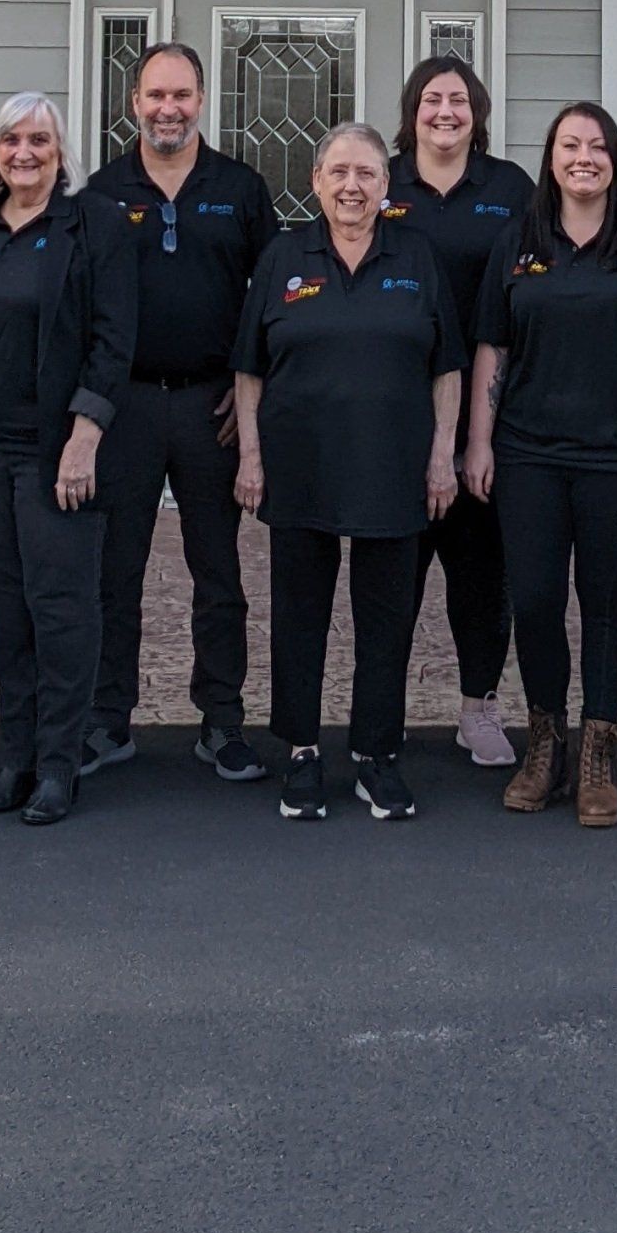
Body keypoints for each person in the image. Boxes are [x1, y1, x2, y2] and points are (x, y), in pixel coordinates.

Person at [467, 104, 617, 828]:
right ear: (551, 158)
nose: (584, 158)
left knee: (606, 602)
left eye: (598, 146)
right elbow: (491, 346)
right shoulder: (519, 239)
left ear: (616, 160)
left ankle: (599, 750)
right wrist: (478, 441)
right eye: (570, 145)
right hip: (528, 454)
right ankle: (546, 743)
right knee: (536, 599)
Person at [232, 123, 463, 824]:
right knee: (299, 613)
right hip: (300, 463)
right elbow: (249, 368)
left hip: (394, 464)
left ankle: (375, 754)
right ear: (316, 181)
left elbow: (447, 367)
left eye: (366, 173)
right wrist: (250, 455)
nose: (352, 186)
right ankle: (302, 751)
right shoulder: (283, 256)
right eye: (338, 172)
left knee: (385, 618)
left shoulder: (416, 256)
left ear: (386, 185)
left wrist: (442, 456)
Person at [0, 94, 137, 827]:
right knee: (9, 606)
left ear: (61, 152)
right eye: (11, 140)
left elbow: (114, 339)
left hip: (55, 453)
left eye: (40, 140)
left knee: (62, 609)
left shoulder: (94, 224)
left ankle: (58, 763)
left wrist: (85, 435)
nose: (24, 152)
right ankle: (16, 755)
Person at [85, 41, 278, 782]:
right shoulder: (102, 192)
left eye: (182, 95)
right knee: (116, 571)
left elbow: (272, 294)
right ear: (134, 102)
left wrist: (249, 383)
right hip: (127, 405)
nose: (169, 109)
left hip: (210, 407)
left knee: (218, 572)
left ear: (202, 101)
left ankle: (221, 720)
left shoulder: (241, 188)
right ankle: (108, 719)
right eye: (156, 95)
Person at [382, 56, 531, 766]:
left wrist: (482, 436)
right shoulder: (381, 181)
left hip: (487, 412)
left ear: (478, 112)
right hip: (392, 408)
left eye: (459, 100)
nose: (446, 111)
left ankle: (479, 709)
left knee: (481, 574)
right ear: (412, 111)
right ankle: (381, 712)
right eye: (432, 99)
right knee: (392, 574)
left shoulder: (510, 189)